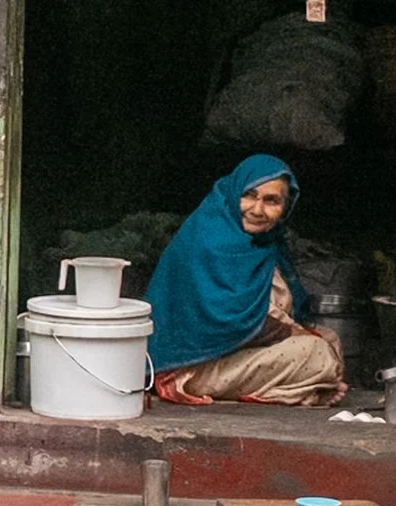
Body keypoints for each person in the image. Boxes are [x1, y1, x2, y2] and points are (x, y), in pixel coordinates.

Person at [147, 155, 344, 407]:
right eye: (249, 195)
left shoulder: (264, 243)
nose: (257, 209)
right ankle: (308, 389)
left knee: (330, 339)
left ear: (286, 207)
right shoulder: (209, 240)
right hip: (191, 366)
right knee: (317, 354)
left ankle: (309, 387)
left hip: (234, 351)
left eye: (271, 201)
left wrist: (309, 334)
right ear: (233, 193)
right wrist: (302, 335)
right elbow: (231, 322)